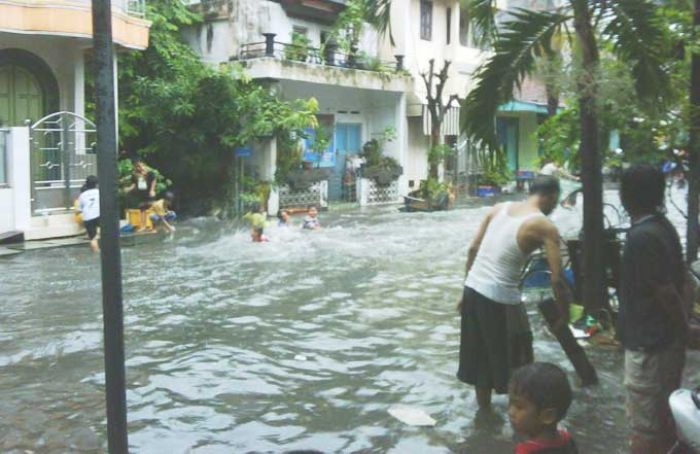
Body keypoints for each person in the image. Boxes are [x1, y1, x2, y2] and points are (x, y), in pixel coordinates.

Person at [457, 176, 569, 411]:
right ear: (550, 197)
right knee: (521, 363)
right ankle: (522, 423)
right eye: (555, 202)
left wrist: (464, 291)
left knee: (481, 361)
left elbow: (472, 249)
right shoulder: (545, 226)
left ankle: (485, 416)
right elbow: (557, 278)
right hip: (500, 299)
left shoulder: (499, 208)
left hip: (472, 290)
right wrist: (564, 314)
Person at [618, 164, 688, 454]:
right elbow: (681, 281)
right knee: (664, 420)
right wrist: (683, 328)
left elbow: (666, 292)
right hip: (665, 342)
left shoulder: (641, 237)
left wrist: (683, 325)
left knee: (644, 429)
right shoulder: (663, 227)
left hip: (650, 347)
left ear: (626, 196)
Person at [509, 362, 578, 454]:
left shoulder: (524, 451)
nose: (510, 412)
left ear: (548, 416)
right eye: (510, 403)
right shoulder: (567, 440)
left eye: (519, 407)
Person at [123, 159, 157, 231]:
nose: (138, 168)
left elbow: (154, 181)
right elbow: (134, 184)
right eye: (137, 166)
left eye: (139, 166)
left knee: (152, 209)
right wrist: (129, 189)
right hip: (142, 194)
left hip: (149, 193)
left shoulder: (150, 173)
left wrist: (152, 190)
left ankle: (154, 227)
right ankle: (143, 226)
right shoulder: (135, 175)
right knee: (142, 210)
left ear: (143, 165)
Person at [78, 175, 100, 252]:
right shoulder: (99, 192)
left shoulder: (82, 195)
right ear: (96, 184)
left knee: (93, 238)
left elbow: (79, 209)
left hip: (88, 218)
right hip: (100, 215)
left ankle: (96, 252)